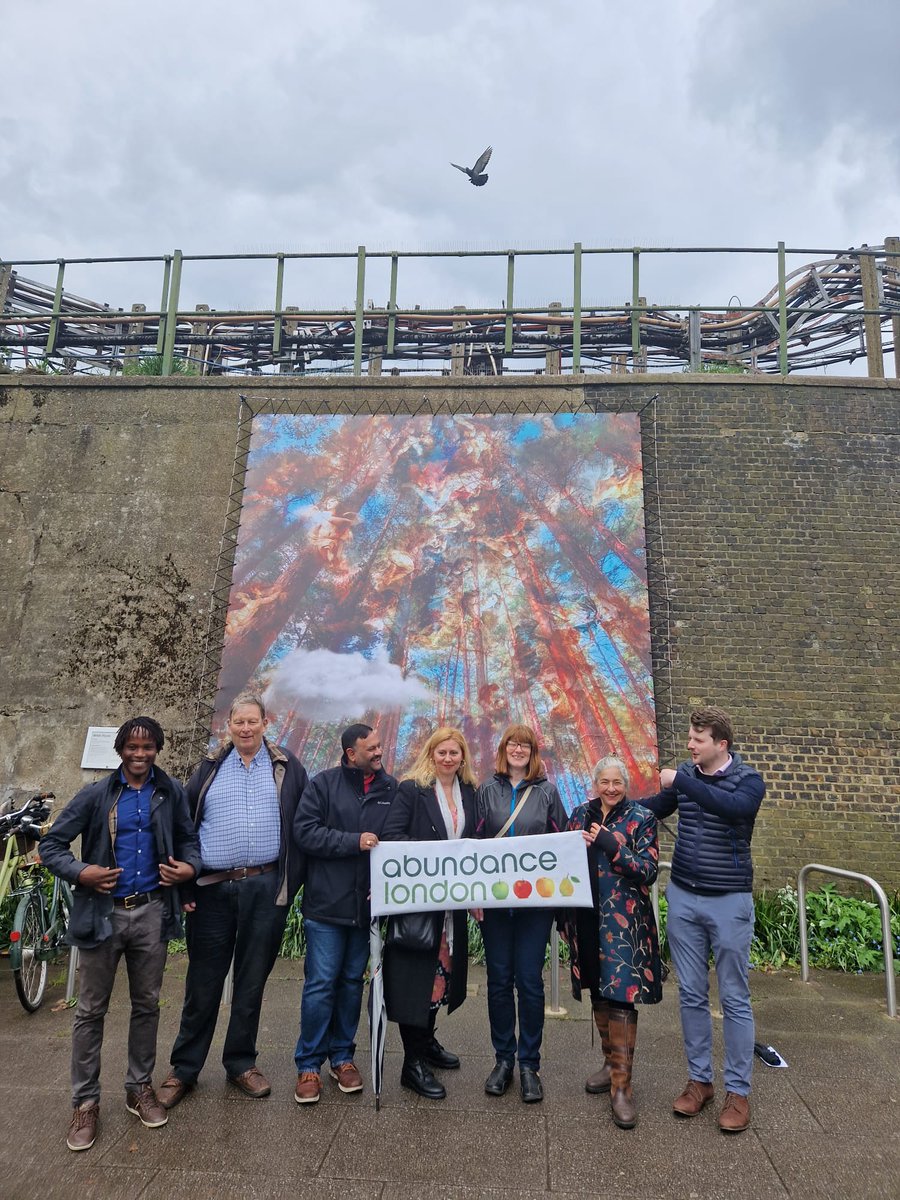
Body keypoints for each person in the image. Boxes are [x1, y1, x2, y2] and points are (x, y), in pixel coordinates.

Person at [40, 717, 201, 1152]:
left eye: (148, 747)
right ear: (120, 750)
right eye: (132, 747)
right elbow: (50, 846)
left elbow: (190, 842)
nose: (139, 754)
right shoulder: (96, 795)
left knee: (147, 1005)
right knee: (91, 1011)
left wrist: (191, 868)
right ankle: (86, 1103)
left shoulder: (169, 794)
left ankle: (138, 1088)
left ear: (157, 750)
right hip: (102, 916)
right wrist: (82, 872)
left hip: (150, 912)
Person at [156, 692, 308, 1108]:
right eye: (238, 722)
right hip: (211, 890)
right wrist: (185, 886)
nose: (245, 728)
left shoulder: (288, 767)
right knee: (203, 982)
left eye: (252, 722)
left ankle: (241, 1062)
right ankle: (184, 1068)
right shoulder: (209, 768)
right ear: (230, 725)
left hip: (265, 886)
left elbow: (304, 825)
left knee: (251, 979)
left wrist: (290, 886)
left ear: (265, 722)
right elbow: (183, 830)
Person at [640, 705, 765, 1134]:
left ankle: (738, 1091)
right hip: (684, 899)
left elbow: (731, 809)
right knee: (691, 994)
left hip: (729, 901)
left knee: (733, 997)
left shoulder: (747, 782)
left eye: (698, 739)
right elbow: (654, 807)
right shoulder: (687, 776)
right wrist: (606, 807)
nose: (690, 744)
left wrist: (683, 781)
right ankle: (699, 1082)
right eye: (690, 737)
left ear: (721, 745)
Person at [293, 723, 398, 1104]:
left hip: (367, 909)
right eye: (371, 748)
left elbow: (400, 841)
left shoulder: (392, 790)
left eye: (380, 746)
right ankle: (308, 1065)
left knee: (353, 983)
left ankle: (342, 1057)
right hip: (326, 907)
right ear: (351, 753)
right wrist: (352, 842)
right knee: (321, 984)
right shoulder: (323, 784)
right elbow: (304, 832)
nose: (378, 752)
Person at [564, 756, 663, 1129]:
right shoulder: (578, 815)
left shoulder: (641, 818)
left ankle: (622, 1087)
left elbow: (649, 871)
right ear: (595, 783)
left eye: (616, 782)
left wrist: (611, 844)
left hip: (624, 922)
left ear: (625, 784)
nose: (610, 788)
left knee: (621, 993)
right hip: (586, 918)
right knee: (598, 991)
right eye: (604, 782)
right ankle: (609, 1064)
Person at [381, 726, 478, 1100]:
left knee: (441, 978)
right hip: (421, 905)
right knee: (415, 981)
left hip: (453, 906)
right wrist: (437, 859)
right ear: (431, 754)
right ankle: (411, 1063)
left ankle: (427, 1042)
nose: (449, 759)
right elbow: (393, 837)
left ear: (463, 757)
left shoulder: (470, 791)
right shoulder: (412, 790)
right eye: (442, 753)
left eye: (455, 753)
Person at [475, 723, 567, 1103]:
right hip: (495, 903)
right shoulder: (486, 791)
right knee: (498, 981)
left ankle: (530, 1064)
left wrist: (564, 902)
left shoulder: (547, 792)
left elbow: (562, 843)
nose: (517, 750)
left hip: (535, 905)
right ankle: (503, 1060)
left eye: (524, 745)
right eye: (512, 744)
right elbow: (475, 845)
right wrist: (474, 894)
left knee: (529, 980)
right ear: (503, 749)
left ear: (533, 752)